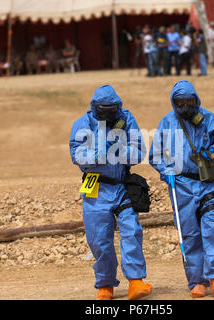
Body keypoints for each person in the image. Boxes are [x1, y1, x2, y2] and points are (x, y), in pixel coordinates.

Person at [149, 80, 214, 298]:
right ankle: (197, 281)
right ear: (173, 103)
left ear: (196, 100)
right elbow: (155, 154)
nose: (185, 106)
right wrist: (164, 171)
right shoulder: (167, 122)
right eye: (180, 102)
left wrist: (213, 152)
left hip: (207, 182)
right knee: (189, 233)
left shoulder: (208, 119)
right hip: (181, 185)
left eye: (189, 101)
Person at [69, 84, 153, 300]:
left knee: (131, 230)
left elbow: (139, 151)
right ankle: (105, 285)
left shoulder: (126, 119)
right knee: (98, 238)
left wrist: (118, 150)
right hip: (95, 186)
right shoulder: (83, 123)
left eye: (111, 108)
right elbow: (76, 155)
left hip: (121, 184)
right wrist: (100, 153)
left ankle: (136, 281)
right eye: (103, 109)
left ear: (118, 106)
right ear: (95, 107)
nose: (107, 112)